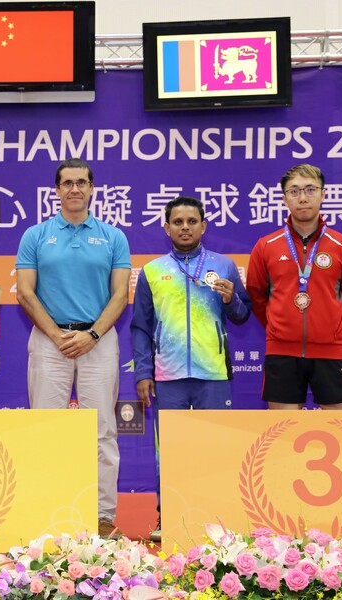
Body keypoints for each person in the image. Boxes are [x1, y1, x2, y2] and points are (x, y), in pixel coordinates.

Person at [15, 158, 131, 539]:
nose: (75, 189)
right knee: (47, 428)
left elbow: (119, 295)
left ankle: (102, 516)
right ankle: (48, 506)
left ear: (93, 188)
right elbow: (26, 292)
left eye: (82, 182)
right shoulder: (36, 235)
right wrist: (55, 334)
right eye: (67, 183)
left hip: (98, 341)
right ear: (57, 190)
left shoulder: (113, 237)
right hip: (50, 341)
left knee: (102, 431)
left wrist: (92, 335)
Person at [130, 195, 251, 542]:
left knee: (215, 446)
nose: (185, 227)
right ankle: (167, 517)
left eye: (192, 221)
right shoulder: (152, 271)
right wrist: (143, 373)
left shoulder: (224, 266)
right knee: (167, 449)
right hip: (168, 375)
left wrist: (230, 299)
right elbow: (140, 325)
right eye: (178, 222)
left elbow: (243, 315)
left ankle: (218, 519)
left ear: (203, 226)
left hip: (213, 373)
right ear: (166, 227)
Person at [247, 164, 342, 410]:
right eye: (294, 191)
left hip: (330, 351)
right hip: (281, 353)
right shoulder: (266, 245)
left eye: (310, 190)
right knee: (283, 434)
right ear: (284, 198)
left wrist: (333, 328)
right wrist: (278, 326)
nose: (303, 198)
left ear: (323, 194)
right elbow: (256, 294)